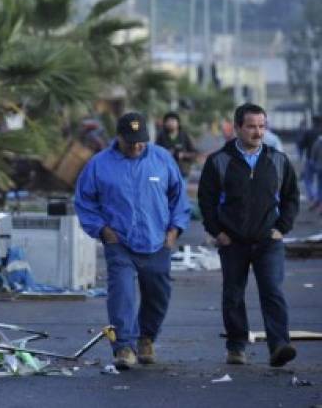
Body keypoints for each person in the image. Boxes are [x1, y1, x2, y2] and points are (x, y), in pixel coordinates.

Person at [75, 112, 190, 369]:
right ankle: (124, 347)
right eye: (131, 142)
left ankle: (146, 338)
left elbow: (178, 198)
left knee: (158, 294)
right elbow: (84, 201)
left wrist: (173, 232)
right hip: (120, 243)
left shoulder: (162, 159)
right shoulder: (99, 164)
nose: (137, 146)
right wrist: (103, 231)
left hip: (158, 241)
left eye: (141, 141)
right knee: (122, 294)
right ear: (119, 138)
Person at [198, 103, 299, 367]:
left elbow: (291, 197)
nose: (258, 132)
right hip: (233, 242)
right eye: (252, 126)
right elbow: (206, 201)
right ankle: (236, 346)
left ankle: (279, 346)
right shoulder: (219, 161)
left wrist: (281, 228)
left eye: (262, 126)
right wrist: (217, 232)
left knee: (273, 292)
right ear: (237, 128)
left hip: (268, 241)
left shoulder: (277, 160)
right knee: (233, 295)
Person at [155, 112, 198, 178]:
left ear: (178, 122)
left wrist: (183, 155)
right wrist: (166, 153)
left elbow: (194, 153)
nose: (170, 123)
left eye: (172, 120)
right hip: (165, 172)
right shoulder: (161, 136)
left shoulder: (184, 136)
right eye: (168, 121)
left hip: (182, 172)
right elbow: (155, 153)